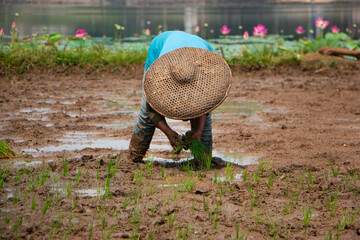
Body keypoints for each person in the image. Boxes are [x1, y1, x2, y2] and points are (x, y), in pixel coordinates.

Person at [128, 31, 231, 163]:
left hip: (200, 58)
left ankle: (203, 160)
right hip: (161, 52)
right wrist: (168, 132)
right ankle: (134, 157)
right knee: (146, 116)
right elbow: (151, 109)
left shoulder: (206, 70)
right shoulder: (160, 74)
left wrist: (198, 131)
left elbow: (205, 106)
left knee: (202, 111)